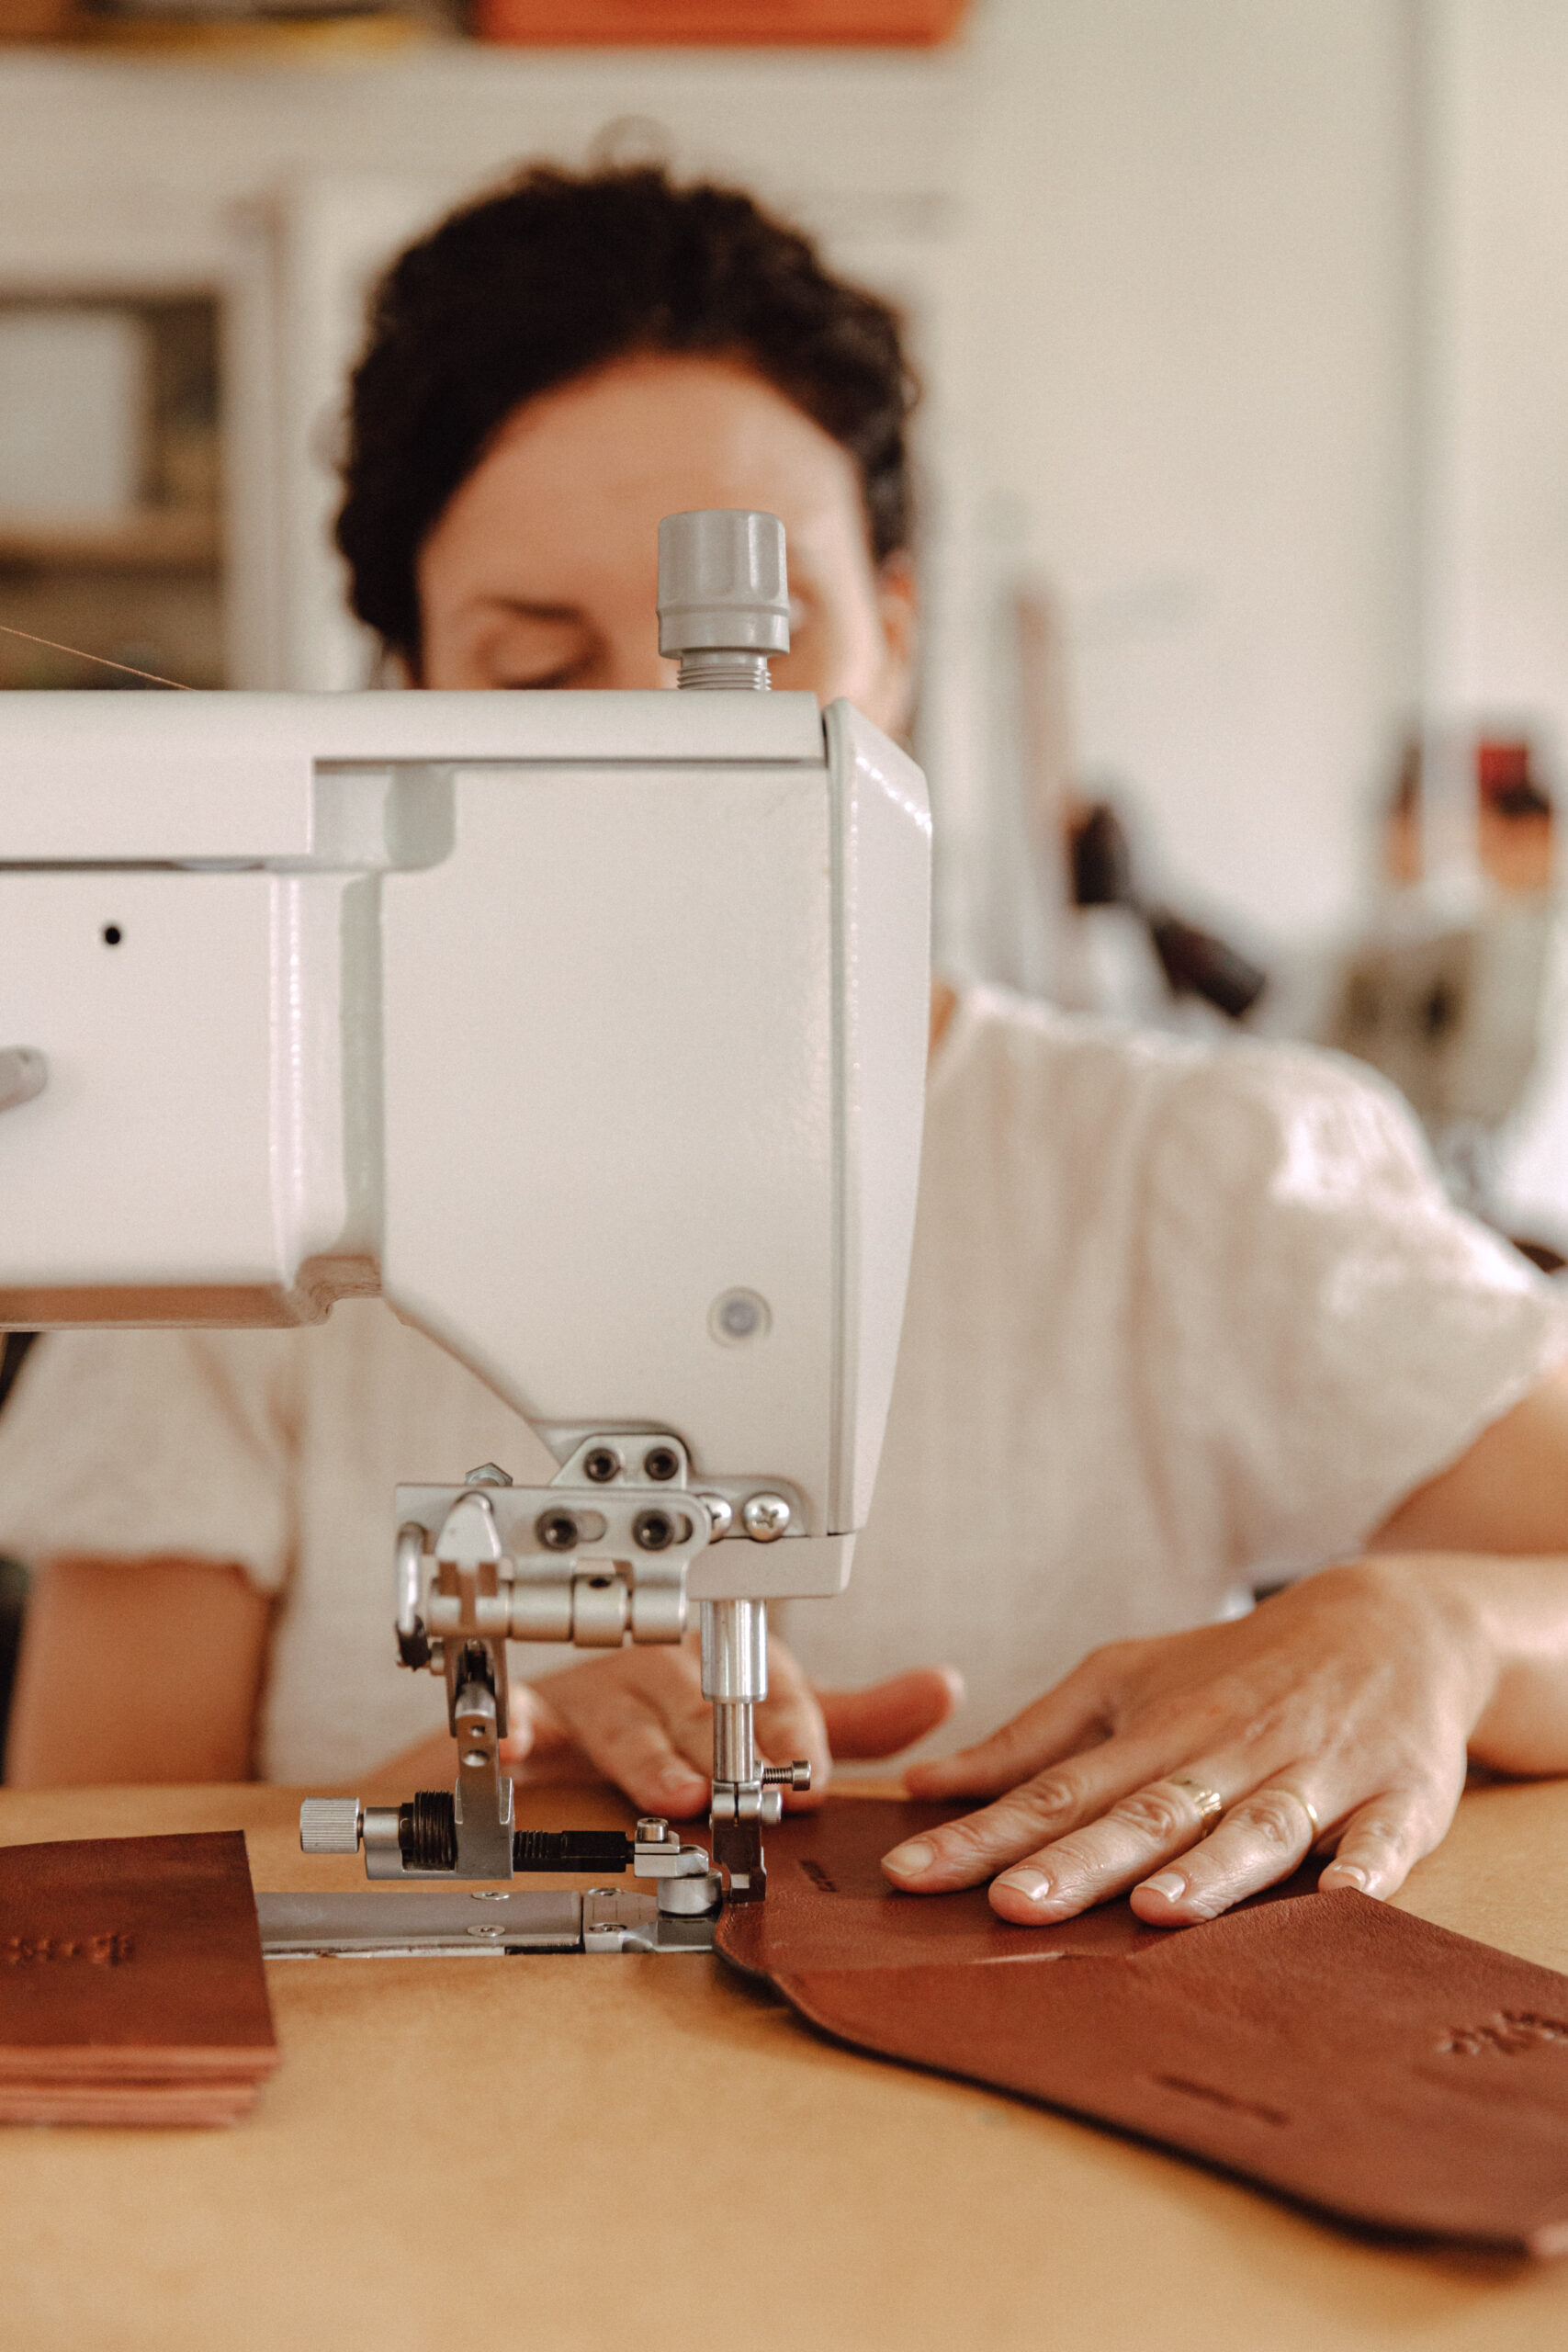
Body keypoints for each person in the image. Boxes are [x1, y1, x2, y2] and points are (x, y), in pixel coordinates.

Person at [4, 166, 1568, 1939]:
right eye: (531, 674)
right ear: (409, 695)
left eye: (755, 658)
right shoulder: (233, 1212)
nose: (662, 753)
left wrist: (1434, 1631)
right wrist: (434, 1823)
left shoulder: (1183, 1178)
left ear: (896, 633)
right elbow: (83, 1901)